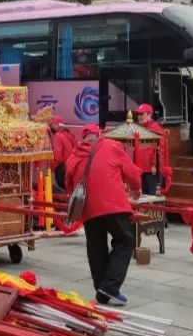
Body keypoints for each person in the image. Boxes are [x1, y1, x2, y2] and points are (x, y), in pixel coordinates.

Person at [65, 124, 142, 306]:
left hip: (88, 209)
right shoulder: (110, 146)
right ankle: (109, 286)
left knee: (96, 247)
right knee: (125, 242)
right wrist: (136, 188)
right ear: (99, 134)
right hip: (113, 205)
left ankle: (102, 291)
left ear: (82, 138)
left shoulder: (74, 155)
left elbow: (69, 183)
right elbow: (131, 171)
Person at [134, 104, 169, 196]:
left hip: (152, 170)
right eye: (138, 114)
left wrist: (155, 165)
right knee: (143, 197)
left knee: (153, 197)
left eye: (142, 114)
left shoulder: (157, 129)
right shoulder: (139, 130)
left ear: (149, 115)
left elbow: (160, 150)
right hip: (141, 169)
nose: (139, 117)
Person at [48, 115, 76, 192]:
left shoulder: (58, 136)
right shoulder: (70, 134)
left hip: (61, 168)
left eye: (51, 125)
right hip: (70, 166)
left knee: (62, 191)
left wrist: (50, 168)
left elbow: (57, 156)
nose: (51, 128)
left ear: (56, 125)